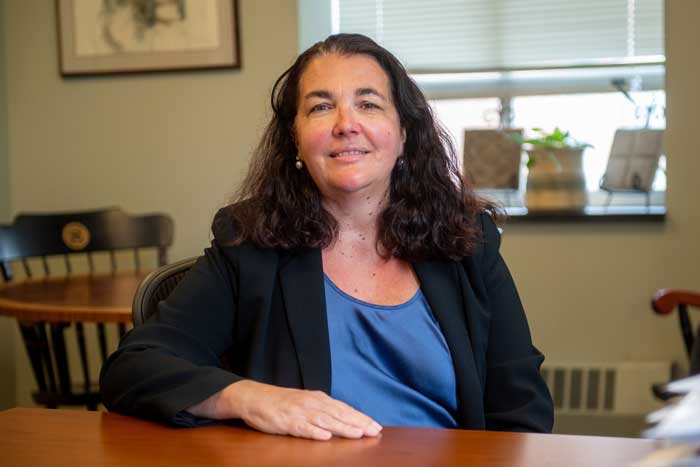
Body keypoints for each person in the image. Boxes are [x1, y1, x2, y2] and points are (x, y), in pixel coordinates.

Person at [100, 33, 553, 441]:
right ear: (296, 139)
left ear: (405, 135)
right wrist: (250, 397)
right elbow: (134, 366)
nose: (345, 124)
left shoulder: (468, 241)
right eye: (320, 106)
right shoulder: (250, 244)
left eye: (369, 104)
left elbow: (522, 412)